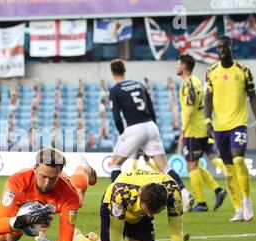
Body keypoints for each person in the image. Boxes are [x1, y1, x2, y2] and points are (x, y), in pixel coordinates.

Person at [108, 59, 194, 212]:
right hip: (151, 126)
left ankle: (119, 203)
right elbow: (152, 109)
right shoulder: (140, 85)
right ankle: (185, 194)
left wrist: (124, 134)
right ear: (124, 70)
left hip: (134, 127)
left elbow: (116, 116)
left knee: (115, 164)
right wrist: (149, 136)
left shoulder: (115, 90)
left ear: (113, 72)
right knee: (164, 167)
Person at [0, 148, 97, 241]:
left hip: (62, 199)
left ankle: (83, 168)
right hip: (22, 202)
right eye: (43, 176)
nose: (46, 183)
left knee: (79, 197)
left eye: (52, 178)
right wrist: (25, 219)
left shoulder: (69, 196)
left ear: (60, 172)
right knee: (11, 237)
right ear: (34, 169)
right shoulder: (17, 182)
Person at [65, 169, 184, 241]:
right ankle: (78, 239)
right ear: (139, 196)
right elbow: (116, 233)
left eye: (156, 213)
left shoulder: (173, 192)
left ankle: (96, 240)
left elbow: (176, 232)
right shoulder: (121, 194)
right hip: (112, 205)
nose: (150, 216)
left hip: (139, 210)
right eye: (148, 212)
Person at [205, 35, 256, 222]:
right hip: (219, 127)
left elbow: (252, 96)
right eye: (218, 48)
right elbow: (208, 98)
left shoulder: (244, 71)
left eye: (224, 47)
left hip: (238, 123)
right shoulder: (211, 72)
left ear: (232, 48)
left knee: (239, 159)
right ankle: (238, 209)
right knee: (228, 168)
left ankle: (247, 200)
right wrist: (207, 121)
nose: (221, 50)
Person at [176, 54, 227, 212]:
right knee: (195, 164)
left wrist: (183, 132)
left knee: (191, 166)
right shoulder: (197, 81)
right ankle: (218, 190)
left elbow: (189, 110)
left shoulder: (187, 83)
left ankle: (201, 203)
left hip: (193, 131)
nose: (176, 66)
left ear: (184, 66)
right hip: (202, 128)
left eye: (178, 64)